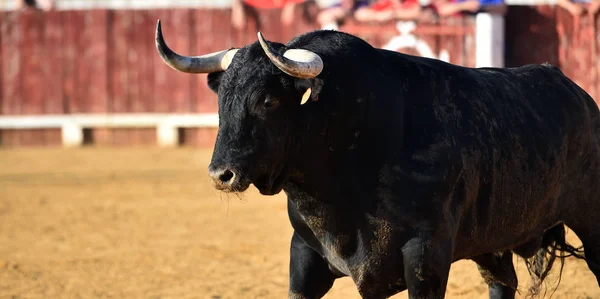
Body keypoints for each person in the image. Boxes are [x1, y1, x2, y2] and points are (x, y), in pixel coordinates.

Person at [353, 0, 422, 23]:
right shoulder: (384, 3)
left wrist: (393, 14)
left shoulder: (410, 2)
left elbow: (416, 13)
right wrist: (378, 16)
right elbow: (359, 14)